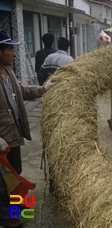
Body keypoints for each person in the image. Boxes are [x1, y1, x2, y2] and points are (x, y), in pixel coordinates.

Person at [0, 29, 55, 227]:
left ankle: (15, 210)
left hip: (12, 136)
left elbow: (23, 91)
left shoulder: (8, 73)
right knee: (3, 181)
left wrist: (43, 89)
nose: (13, 54)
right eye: (9, 50)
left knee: (15, 174)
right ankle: (7, 216)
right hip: (1, 141)